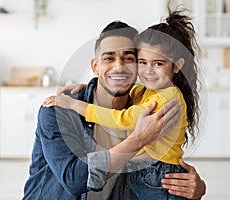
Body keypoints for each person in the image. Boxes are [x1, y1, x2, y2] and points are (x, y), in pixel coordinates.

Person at [24, 21, 205, 200]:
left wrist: (196, 188)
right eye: (109, 58)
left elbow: (158, 163)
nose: (119, 67)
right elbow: (75, 180)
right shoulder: (59, 111)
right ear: (96, 66)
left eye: (128, 58)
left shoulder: (143, 110)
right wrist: (139, 138)